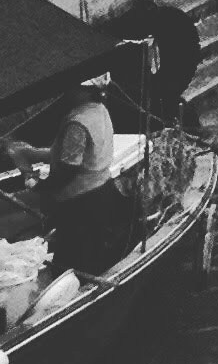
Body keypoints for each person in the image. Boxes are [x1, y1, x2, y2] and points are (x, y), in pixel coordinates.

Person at [6, 88, 140, 276]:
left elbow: (68, 170)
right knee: (93, 249)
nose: (66, 92)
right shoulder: (98, 109)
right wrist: (32, 153)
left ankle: (79, 288)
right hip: (102, 191)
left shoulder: (77, 123)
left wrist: (39, 185)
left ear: (85, 91)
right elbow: (74, 155)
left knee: (73, 258)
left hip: (80, 203)